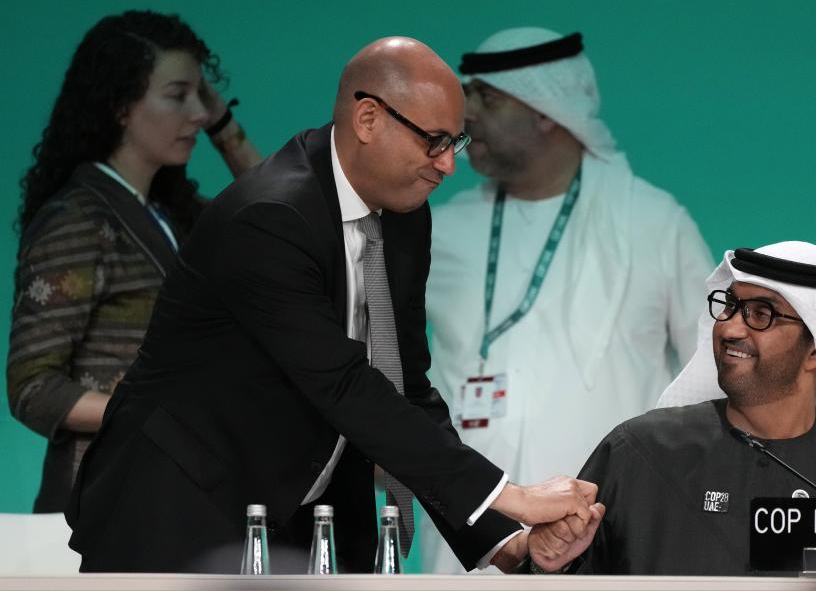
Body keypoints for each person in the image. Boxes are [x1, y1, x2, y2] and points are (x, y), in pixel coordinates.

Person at [65, 36, 597, 574]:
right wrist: (512, 494)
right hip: (177, 514)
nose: (447, 165)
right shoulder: (270, 216)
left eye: (454, 143)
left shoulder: (407, 215)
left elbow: (404, 388)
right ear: (368, 118)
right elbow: (342, 385)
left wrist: (507, 542)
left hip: (304, 521)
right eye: (434, 141)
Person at [418, 27, 713, 572]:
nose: (467, 115)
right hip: (474, 552)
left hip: (612, 544)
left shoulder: (653, 224)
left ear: (546, 111)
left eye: (486, 98)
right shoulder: (439, 228)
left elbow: (716, 375)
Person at [526, 241, 816, 575]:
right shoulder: (641, 452)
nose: (730, 327)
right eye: (729, 305)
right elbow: (558, 572)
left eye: (760, 314)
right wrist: (544, 562)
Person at [6, 10, 262, 513]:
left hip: (167, 498)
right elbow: (32, 388)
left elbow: (277, 217)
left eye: (201, 97)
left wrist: (225, 126)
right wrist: (159, 416)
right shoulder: (77, 219)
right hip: (102, 509)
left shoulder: (171, 216)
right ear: (122, 107)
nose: (197, 113)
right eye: (177, 95)